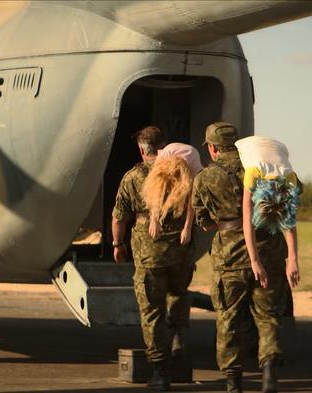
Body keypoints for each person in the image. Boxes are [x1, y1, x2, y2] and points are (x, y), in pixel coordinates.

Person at [191, 122, 290, 393]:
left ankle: (234, 383)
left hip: (230, 257)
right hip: (268, 249)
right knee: (267, 315)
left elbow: (204, 221)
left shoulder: (204, 177)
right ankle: (269, 371)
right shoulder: (260, 166)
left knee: (228, 318)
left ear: (212, 148)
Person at [112, 126, 194, 391]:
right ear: (165, 146)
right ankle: (179, 338)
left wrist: (116, 244)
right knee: (179, 293)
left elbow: (119, 216)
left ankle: (160, 371)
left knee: (152, 310)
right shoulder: (181, 171)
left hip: (149, 253)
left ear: (141, 150)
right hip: (181, 249)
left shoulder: (133, 177)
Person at [235, 135, 302, 292]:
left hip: (280, 147)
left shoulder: (290, 178)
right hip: (247, 145)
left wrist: (293, 260)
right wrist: (255, 261)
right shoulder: (252, 173)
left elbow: (290, 224)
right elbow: (247, 220)